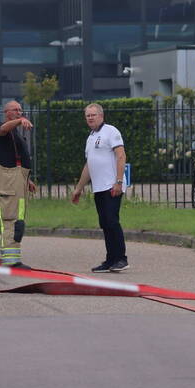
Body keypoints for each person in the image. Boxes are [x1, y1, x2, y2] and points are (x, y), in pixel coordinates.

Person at [71, 103, 129, 273]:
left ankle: (121, 258)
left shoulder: (111, 131)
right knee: (104, 223)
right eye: (87, 115)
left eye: (93, 115)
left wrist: (118, 181)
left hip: (111, 185)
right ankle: (110, 259)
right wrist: (78, 188)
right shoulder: (90, 138)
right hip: (98, 187)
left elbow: (121, 155)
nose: (90, 118)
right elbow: (88, 166)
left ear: (101, 116)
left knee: (112, 220)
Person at [0, 100, 35, 268]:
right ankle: (10, 261)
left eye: (20, 110)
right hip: (10, 180)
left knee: (18, 218)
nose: (19, 112)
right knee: (11, 218)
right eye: (15, 110)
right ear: (6, 112)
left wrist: (27, 180)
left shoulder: (15, 133)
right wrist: (19, 121)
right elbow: (3, 129)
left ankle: (13, 258)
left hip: (18, 179)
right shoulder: (2, 129)